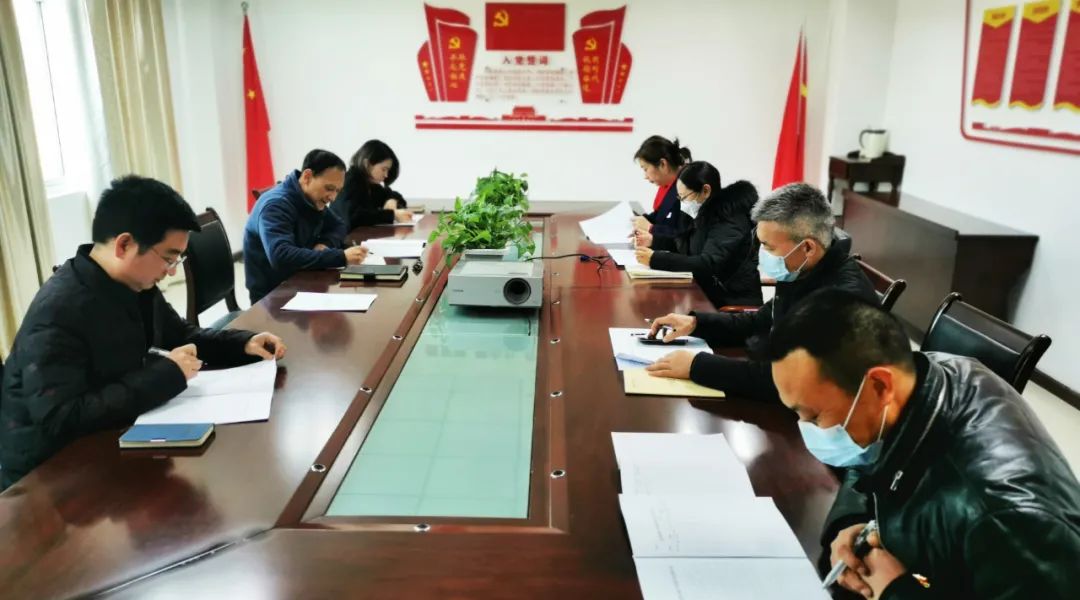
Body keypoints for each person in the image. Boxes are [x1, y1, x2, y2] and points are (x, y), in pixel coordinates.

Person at [758, 289, 1080, 599]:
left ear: (880, 386)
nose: (807, 430)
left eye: (815, 417)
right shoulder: (921, 375)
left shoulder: (1003, 519)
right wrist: (850, 521)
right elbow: (876, 454)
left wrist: (895, 591)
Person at [0, 176, 287, 490]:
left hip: (111, 439)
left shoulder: (135, 284)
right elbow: (61, 418)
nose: (172, 270)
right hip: (48, 478)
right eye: (168, 257)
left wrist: (243, 343)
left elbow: (180, 335)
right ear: (124, 245)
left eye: (178, 259)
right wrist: (167, 374)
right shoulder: (58, 312)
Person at [645, 183, 876, 402]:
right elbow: (762, 321)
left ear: (807, 247)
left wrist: (697, 366)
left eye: (768, 246)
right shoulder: (803, 268)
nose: (761, 253)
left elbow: (789, 381)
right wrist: (696, 324)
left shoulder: (842, 301)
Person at [243, 149, 369, 304]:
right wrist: (340, 257)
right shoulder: (276, 205)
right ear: (307, 177)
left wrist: (325, 243)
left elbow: (338, 225)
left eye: (337, 191)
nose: (333, 197)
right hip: (273, 297)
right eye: (329, 188)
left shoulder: (309, 198)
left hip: (302, 280)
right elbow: (281, 256)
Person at [633, 161, 763, 308]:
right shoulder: (701, 212)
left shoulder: (730, 219)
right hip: (704, 293)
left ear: (705, 191)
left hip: (730, 303)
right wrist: (654, 240)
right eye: (679, 197)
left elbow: (708, 264)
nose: (682, 203)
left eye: (684, 197)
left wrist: (656, 259)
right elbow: (687, 243)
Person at [329, 139, 412, 228]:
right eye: (383, 169)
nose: (386, 175)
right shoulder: (350, 182)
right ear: (367, 164)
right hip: (342, 236)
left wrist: (392, 199)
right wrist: (392, 215)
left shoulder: (370, 184)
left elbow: (395, 196)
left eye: (388, 170)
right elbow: (354, 217)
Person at [632, 135, 692, 238]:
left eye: (645, 169)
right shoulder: (672, 184)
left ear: (663, 164)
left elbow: (684, 236)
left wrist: (650, 228)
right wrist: (643, 220)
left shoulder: (689, 189)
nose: (645, 176)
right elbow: (661, 216)